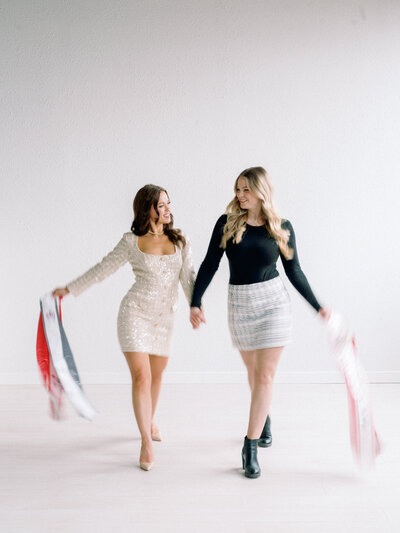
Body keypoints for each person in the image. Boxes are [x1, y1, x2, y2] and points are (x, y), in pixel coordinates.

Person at [190, 167, 328, 478]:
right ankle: (263, 417)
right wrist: (195, 301)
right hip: (240, 304)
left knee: (265, 376)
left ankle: (249, 447)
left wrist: (318, 306)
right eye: (237, 189)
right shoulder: (226, 223)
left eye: (246, 190)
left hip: (273, 302)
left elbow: (294, 271)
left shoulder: (281, 227)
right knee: (255, 375)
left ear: (261, 191)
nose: (240, 195)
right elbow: (210, 262)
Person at [53, 184, 196, 471]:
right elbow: (102, 269)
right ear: (147, 209)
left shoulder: (180, 241)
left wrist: (196, 306)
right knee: (142, 377)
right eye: (161, 205)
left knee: (157, 375)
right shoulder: (131, 241)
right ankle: (145, 440)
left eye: (168, 203)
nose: (168, 209)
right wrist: (69, 289)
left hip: (164, 319)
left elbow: (189, 278)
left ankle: (150, 419)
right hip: (135, 315)